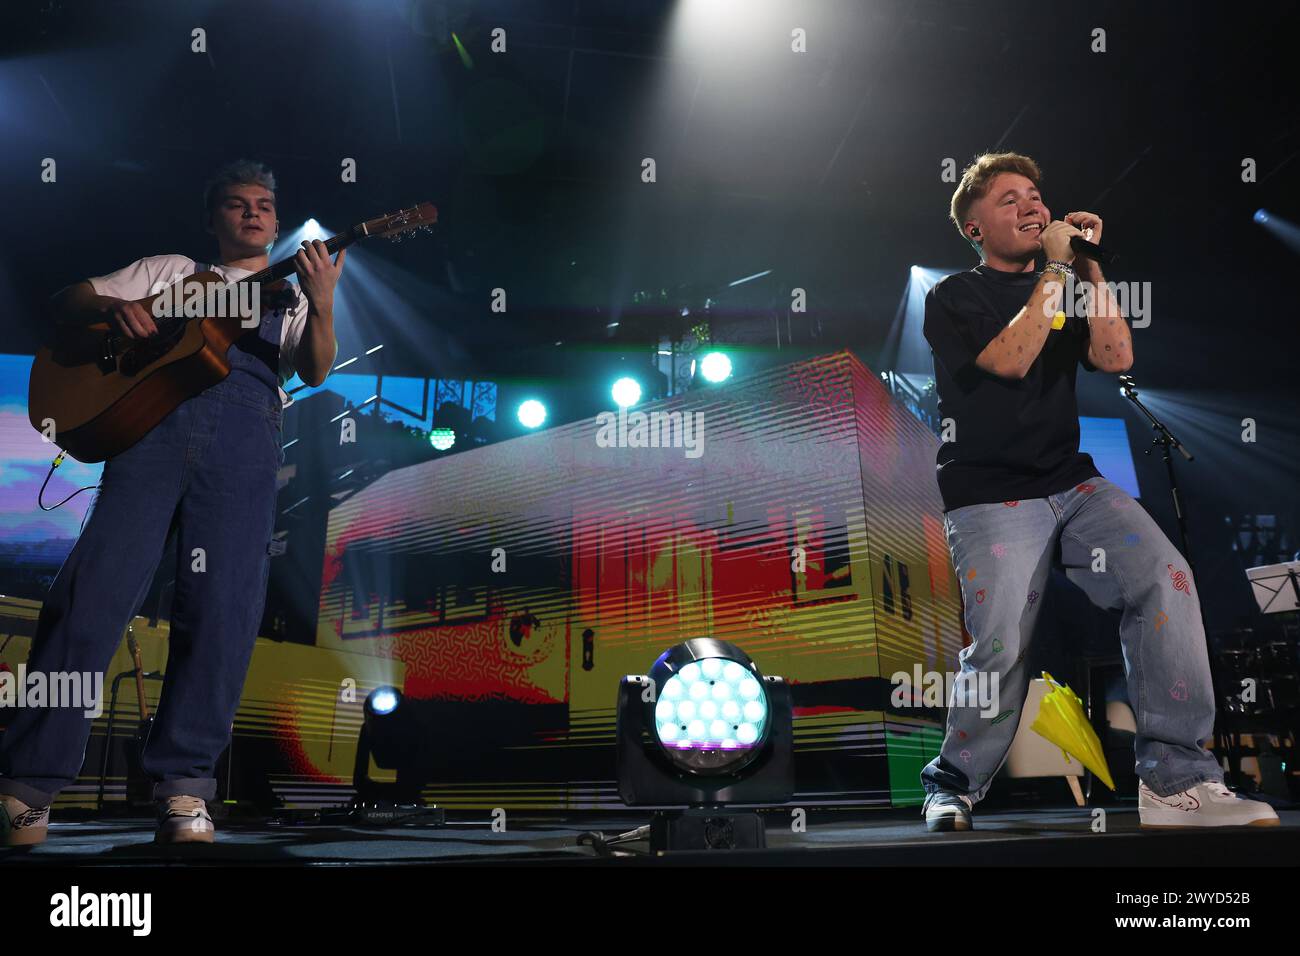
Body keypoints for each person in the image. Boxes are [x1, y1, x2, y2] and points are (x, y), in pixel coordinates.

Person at [918, 152, 1277, 831]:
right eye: (1009, 200)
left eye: (1035, 195)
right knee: (999, 644)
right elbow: (1012, 360)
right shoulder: (953, 297)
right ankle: (954, 783)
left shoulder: (1066, 284)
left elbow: (1116, 358)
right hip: (990, 493)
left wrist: (1087, 265)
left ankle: (1175, 783)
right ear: (973, 227)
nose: (1031, 206)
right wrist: (1056, 269)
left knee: (1165, 577)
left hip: (1073, 481)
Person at [0, 159, 345, 845]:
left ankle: (184, 790)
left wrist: (324, 299)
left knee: (222, 610)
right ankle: (26, 786)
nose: (253, 213)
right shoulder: (169, 269)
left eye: (266, 206)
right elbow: (69, 301)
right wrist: (112, 308)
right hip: (152, 434)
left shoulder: (292, 292)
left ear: (277, 223)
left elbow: (314, 368)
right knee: (91, 597)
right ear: (213, 219)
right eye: (237, 203)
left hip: (245, 445)